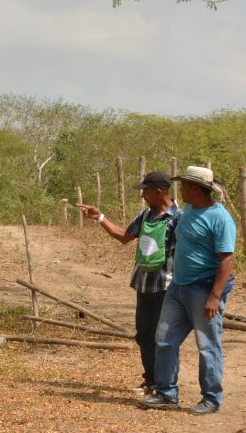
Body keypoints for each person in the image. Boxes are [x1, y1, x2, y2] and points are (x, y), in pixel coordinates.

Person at [141, 166, 236, 415]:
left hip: (203, 289)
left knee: (207, 345)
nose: (179, 189)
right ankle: (166, 393)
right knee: (164, 340)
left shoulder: (220, 218)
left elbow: (226, 259)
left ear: (195, 188)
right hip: (178, 287)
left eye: (183, 185)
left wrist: (214, 297)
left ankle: (211, 398)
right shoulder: (190, 209)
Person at [76, 171, 181, 397]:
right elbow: (124, 236)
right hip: (144, 284)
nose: (143, 195)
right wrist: (100, 217)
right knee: (144, 335)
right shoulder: (145, 216)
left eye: (145, 190)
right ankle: (151, 381)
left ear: (159, 192)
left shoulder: (179, 218)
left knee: (163, 338)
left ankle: (166, 386)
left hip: (166, 286)